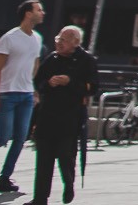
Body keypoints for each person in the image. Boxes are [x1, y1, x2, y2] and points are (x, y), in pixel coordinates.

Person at [28, 24, 96, 205]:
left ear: (75, 43)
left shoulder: (86, 60)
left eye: (64, 40)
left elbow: (92, 88)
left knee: (66, 157)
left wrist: (70, 82)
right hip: (47, 115)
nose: (59, 43)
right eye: (58, 39)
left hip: (70, 118)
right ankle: (40, 198)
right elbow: (38, 82)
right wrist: (48, 83)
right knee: (44, 158)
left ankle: (69, 184)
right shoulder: (52, 58)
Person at [0, 0, 44, 194]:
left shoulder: (37, 38)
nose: (42, 13)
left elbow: (35, 64)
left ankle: (5, 178)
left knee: (21, 138)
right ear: (28, 13)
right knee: (3, 137)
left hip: (26, 95)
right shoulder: (9, 38)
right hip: (8, 93)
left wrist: (33, 88)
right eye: (39, 10)